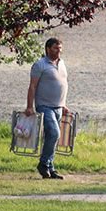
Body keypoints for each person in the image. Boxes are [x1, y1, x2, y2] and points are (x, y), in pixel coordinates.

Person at [25, 37, 69, 179]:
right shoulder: (40, 65)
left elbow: (63, 83)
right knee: (55, 133)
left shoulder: (62, 63)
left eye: (60, 48)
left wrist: (63, 104)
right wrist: (29, 106)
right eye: (56, 48)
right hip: (45, 106)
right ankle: (43, 163)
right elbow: (32, 86)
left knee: (53, 137)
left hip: (58, 106)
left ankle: (50, 166)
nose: (59, 51)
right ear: (48, 49)